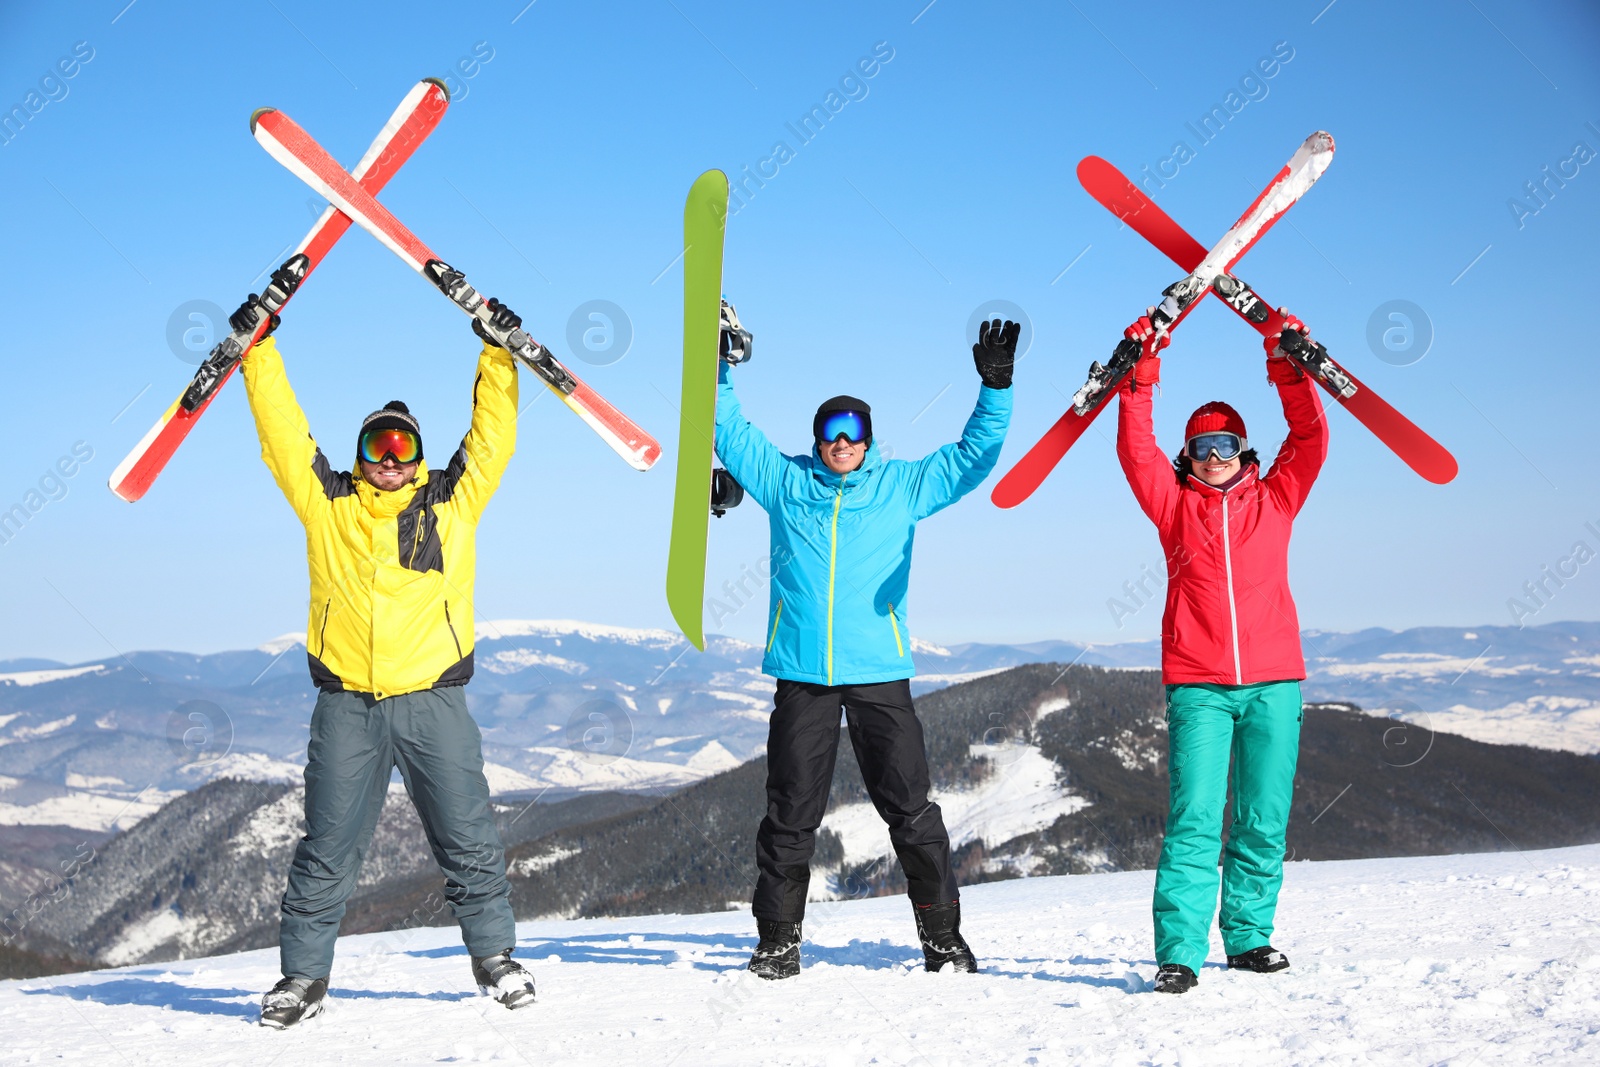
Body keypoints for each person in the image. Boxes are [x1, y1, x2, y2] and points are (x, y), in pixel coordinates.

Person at [234, 269, 537, 1028]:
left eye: (404, 445)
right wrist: (257, 350)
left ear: (420, 455)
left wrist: (497, 355)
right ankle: (302, 977)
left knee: (468, 837)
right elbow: (281, 433)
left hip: (434, 701)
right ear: (361, 450)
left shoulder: (451, 503)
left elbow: (492, 439)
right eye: (378, 443)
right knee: (326, 847)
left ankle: (494, 958)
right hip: (347, 707)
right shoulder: (327, 504)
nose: (391, 457)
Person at [713, 317, 1017, 979]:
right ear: (817, 439)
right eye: (831, 431)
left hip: (881, 673)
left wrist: (995, 387)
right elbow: (730, 431)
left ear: (869, 438)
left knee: (910, 809)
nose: (842, 442)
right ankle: (777, 940)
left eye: (853, 430)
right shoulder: (787, 483)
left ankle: (942, 938)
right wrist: (719, 369)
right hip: (802, 673)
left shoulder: (902, 486)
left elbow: (971, 458)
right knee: (791, 812)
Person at [1114, 307, 1329, 995]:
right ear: (1189, 455)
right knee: (1196, 821)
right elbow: (1135, 448)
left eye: (1227, 442)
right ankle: (1179, 950)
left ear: (1245, 448)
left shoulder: (1278, 497)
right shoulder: (1173, 505)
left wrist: (1286, 366)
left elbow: (1312, 435)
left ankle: (1248, 937)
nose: (1214, 454)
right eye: (1203, 445)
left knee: (1263, 819)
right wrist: (1143, 371)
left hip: (1275, 682)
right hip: (1199, 683)